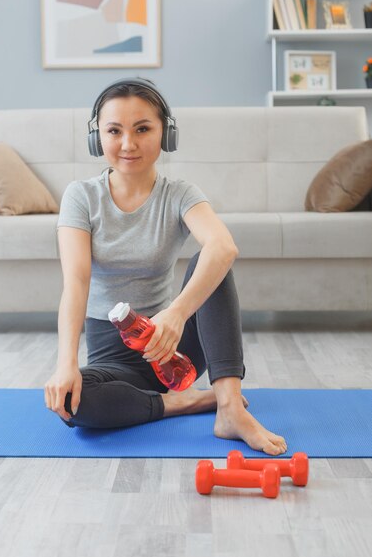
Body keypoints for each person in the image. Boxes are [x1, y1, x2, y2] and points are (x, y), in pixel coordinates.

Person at [44, 77, 287, 456]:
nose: (128, 144)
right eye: (114, 131)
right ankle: (187, 402)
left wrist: (175, 315)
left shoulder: (180, 194)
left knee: (214, 261)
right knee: (73, 403)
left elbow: (223, 246)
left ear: (165, 133)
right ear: (98, 137)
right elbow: (75, 282)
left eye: (143, 129)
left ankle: (228, 407)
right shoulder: (81, 196)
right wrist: (66, 364)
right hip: (113, 357)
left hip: (173, 347)